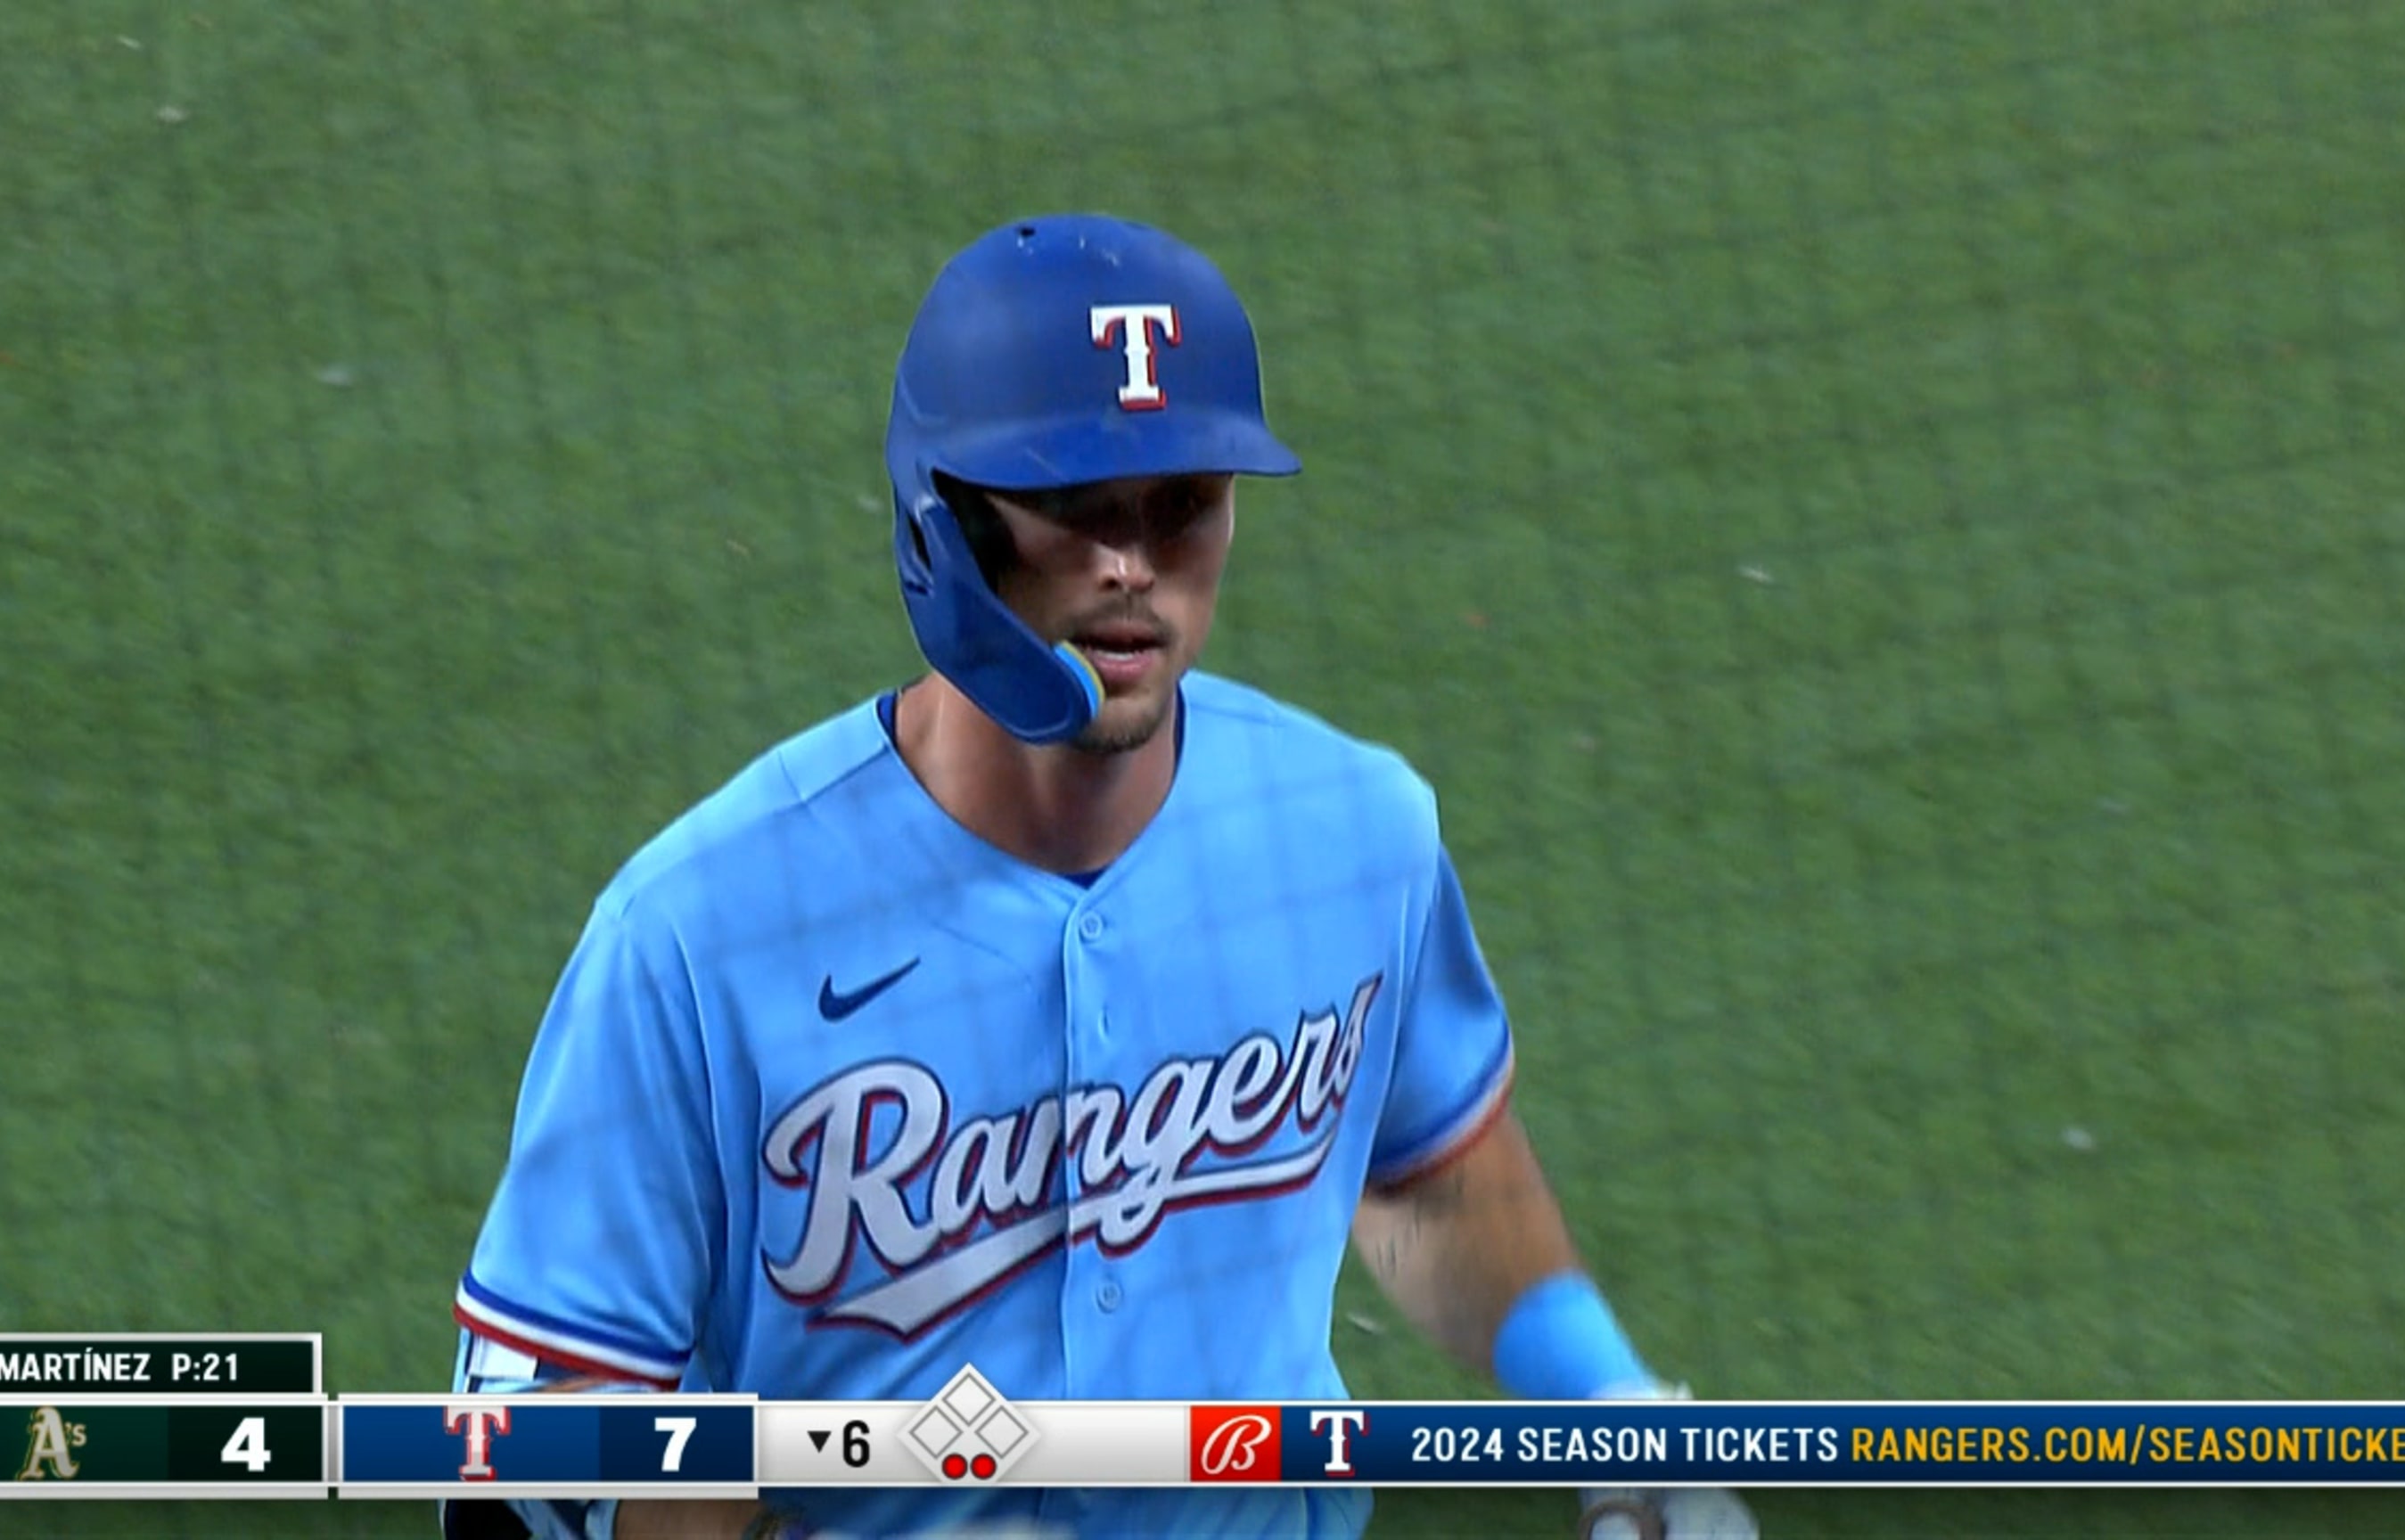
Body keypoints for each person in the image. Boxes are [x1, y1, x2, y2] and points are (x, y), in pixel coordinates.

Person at [443, 214, 1757, 1540]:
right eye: (1073, 507)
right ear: (940, 520)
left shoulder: (1347, 833)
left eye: (1181, 505)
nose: (1132, 564)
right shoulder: (697, 936)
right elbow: (541, 1427)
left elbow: (1427, 1178)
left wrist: (1618, 1415)